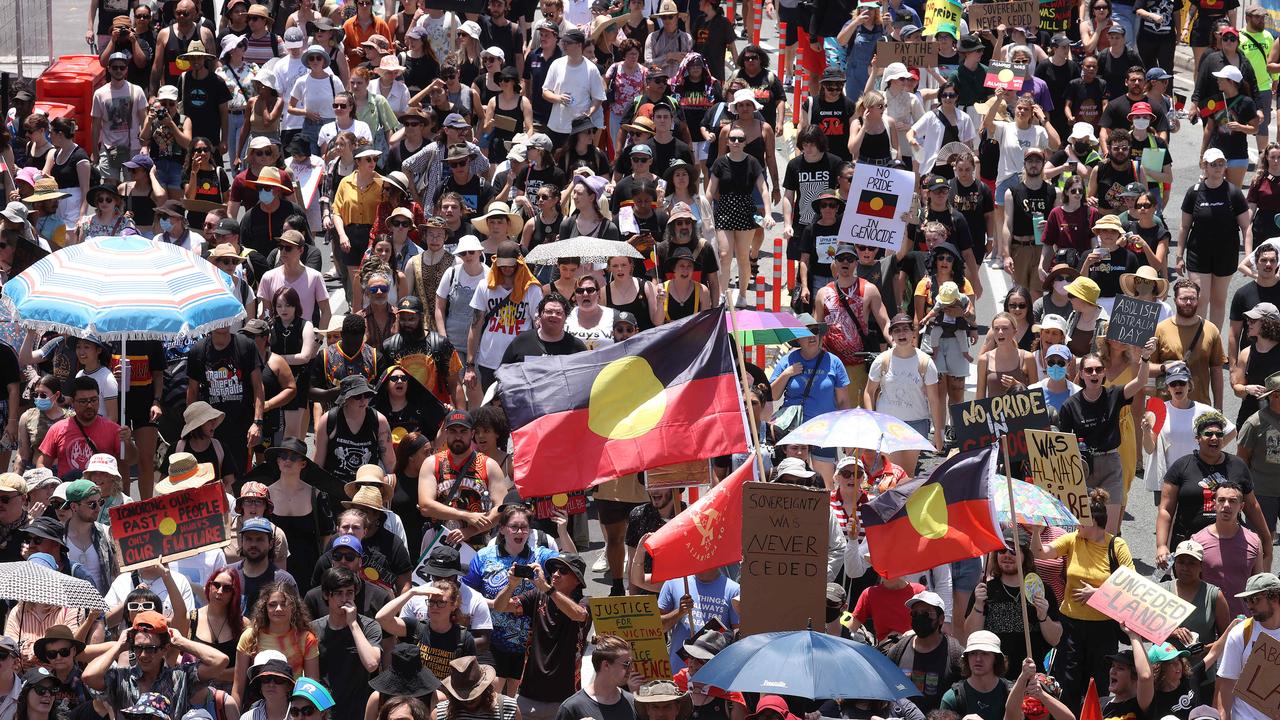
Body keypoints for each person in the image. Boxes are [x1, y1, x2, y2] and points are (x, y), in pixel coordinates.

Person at [1029, 490, 1135, 710]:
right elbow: (1040, 553)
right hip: (1071, 625)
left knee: (1099, 684)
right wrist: (1037, 532)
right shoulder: (1073, 540)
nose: (1075, 523)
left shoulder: (1116, 546)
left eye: (1080, 520)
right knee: (1067, 682)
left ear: (1094, 521)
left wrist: (1098, 595)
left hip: (1103, 627)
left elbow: (1131, 585)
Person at [1057, 341, 1155, 533]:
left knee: (1108, 531)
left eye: (1098, 370)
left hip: (1111, 464)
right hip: (1082, 467)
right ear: (1082, 374)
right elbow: (1062, 444)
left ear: (1103, 373)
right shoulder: (1070, 406)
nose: (1094, 374)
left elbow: (1141, 382)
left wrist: (1144, 358)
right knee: (1084, 529)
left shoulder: (1115, 394)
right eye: (1089, 370)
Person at [1158, 413, 1273, 569]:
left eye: (1219, 434)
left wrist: (1266, 539)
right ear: (1197, 438)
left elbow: (1252, 506)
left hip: (1231, 542)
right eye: (1208, 434)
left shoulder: (1237, 466)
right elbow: (1165, 509)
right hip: (1189, 546)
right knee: (1189, 589)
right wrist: (1161, 545)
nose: (1214, 438)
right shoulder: (1181, 466)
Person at [495, 554, 590, 720]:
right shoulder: (537, 596)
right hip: (528, 694)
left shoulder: (585, 602)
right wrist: (510, 586)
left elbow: (578, 615)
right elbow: (500, 606)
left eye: (563, 570)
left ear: (577, 579)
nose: (555, 574)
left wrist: (547, 588)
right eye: (553, 569)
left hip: (565, 697)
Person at [84, 611, 229, 718]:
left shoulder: (180, 676)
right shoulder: (121, 678)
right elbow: (89, 676)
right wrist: (119, 646)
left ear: (165, 649)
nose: (143, 655)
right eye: (138, 648)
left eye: (150, 649)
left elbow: (220, 661)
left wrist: (181, 642)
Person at [768, 315, 849, 487]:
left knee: (825, 483)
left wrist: (844, 435)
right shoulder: (788, 360)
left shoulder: (834, 362)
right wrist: (787, 374)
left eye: (815, 331)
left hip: (824, 432)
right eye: (805, 332)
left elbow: (842, 401)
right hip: (795, 432)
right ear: (798, 338)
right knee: (793, 482)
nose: (812, 336)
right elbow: (773, 395)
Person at [1177, 148, 1252, 332]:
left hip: (1225, 254)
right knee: (1200, 299)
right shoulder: (1194, 192)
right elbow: (1184, 226)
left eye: (1221, 164)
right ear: (1205, 167)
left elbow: (1246, 226)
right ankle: (1198, 344)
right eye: (1213, 164)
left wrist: (1248, 256)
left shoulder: (1233, 192)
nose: (1218, 168)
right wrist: (1179, 255)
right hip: (1198, 254)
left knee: (1219, 300)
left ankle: (1214, 343)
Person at [418, 410, 509, 549]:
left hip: (478, 544)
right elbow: (425, 506)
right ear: (446, 433)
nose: (458, 436)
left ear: (472, 434)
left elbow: (502, 508)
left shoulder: (489, 465)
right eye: (453, 431)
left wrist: (469, 531)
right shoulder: (432, 463)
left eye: (463, 431)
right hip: (440, 542)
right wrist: (466, 515)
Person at [864, 313, 945, 467]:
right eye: (897, 330)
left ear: (913, 333)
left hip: (916, 424)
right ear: (892, 335)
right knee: (890, 472)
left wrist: (938, 435)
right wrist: (872, 419)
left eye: (905, 329)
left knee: (907, 474)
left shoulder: (925, 362)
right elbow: (869, 392)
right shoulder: (882, 360)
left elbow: (934, 400)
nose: (901, 333)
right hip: (887, 423)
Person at [465, 241, 544, 390]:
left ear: (519, 263)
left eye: (510, 264)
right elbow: (475, 326)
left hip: (519, 362)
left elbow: (538, 326)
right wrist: (470, 365)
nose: (506, 268)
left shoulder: (532, 289)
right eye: (502, 264)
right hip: (489, 361)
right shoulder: (485, 286)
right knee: (492, 408)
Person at [309, 567, 381, 719]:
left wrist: (353, 624)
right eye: (338, 593)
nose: (344, 599)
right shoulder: (313, 630)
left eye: (349, 592)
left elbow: (372, 663)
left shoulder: (369, 626)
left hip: (359, 712)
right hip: (324, 712)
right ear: (326, 595)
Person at [232, 583, 319, 706]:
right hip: (256, 706)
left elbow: (312, 686)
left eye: (284, 604)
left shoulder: (306, 639)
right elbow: (238, 689)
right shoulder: (250, 636)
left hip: (292, 708)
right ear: (265, 608)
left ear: (293, 606)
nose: (278, 609)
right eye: (272, 605)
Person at [1149, 278, 1228, 410]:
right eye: (1183, 299)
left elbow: (1216, 370)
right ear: (1175, 300)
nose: (1188, 303)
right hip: (1166, 407)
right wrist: (1164, 368)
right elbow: (1147, 368)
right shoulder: (1160, 329)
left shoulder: (1210, 330)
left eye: (1192, 299)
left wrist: (1218, 407)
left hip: (1200, 406)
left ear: (1198, 300)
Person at [883, 590, 964, 713]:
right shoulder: (898, 650)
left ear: (941, 619)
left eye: (926, 614)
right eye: (915, 614)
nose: (919, 618)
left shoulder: (954, 653)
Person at [37, 377, 131, 481]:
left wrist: (128, 441)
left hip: (101, 494)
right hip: (67, 493)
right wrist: (51, 485)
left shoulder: (113, 429)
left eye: (94, 400)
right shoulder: (57, 429)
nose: (89, 405)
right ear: (72, 402)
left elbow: (132, 459)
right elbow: (42, 464)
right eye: (83, 401)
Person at [1236, 371, 1280, 542]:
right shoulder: (1254, 424)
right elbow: (1241, 461)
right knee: (1264, 540)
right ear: (1275, 395)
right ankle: (1263, 570)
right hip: (1263, 493)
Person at [938, 631, 1011, 720]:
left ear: (996, 658)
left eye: (984, 653)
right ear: (966, 657)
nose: (978, 659)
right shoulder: (952, 699)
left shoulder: (1011, 693)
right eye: (973, 653)